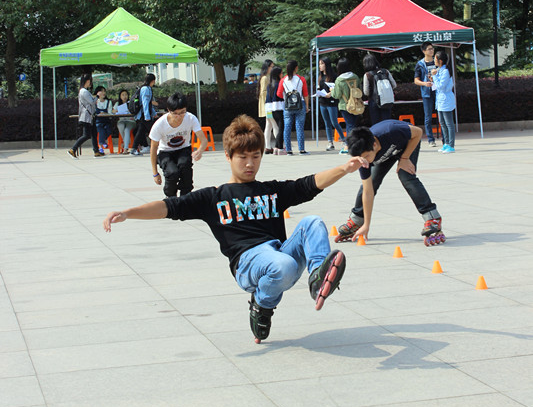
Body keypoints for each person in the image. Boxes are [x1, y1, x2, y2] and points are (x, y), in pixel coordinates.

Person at [104, 115, 368, 343]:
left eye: (256, 157)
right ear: (228, 156)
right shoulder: (214, 197)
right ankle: (261, 304)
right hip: (248, 264)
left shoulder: (271, 190)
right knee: (283, 264)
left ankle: (318, 278)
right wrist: (128, 213)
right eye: (242, 157)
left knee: (312, 223)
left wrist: (344, 168)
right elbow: (169, 206)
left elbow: (309, 184)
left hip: (278, 255)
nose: (250, 164)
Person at [334, 120, 442, 243]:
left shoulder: (391, 131)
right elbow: (368, 192)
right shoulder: (362, 160)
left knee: (406, 176)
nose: (365, 161)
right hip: (386, 153)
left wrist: (405, 158)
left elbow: (418, 132)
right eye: (361, 158)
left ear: (374, 145)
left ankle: (432, 218)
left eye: (367, 156)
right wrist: (366, 224)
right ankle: (356, 220)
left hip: (407, 143)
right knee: (372, 181)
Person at [150, 92, 207, 197]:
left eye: (182, 112)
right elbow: (153, 149)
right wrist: (155, 173)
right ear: (168, 110)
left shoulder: (191, 118)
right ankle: (170, 198)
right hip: (165, 152)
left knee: (185, 168)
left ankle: (185, 198)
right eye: (175, 113)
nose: (179, 116)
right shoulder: (159, 125)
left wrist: (200, 151)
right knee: (172, 173)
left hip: (183, 149)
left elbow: (203, 140)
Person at [277, 59, 309, 155]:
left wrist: (286, 97)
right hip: (300, 105)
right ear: (296, 68)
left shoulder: (283, 80)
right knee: (299, 127)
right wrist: (307, 106)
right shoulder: (301, 79)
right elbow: (305, 94)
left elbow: (279, 93)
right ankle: (301, 150)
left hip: (287, 106)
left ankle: (289, 150)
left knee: (287, 127)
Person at [331, 57, 362, 154]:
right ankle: (355, 144)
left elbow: (336, 95)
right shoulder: (355, 77)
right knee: (353, 124)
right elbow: (360, 90)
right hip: (356, 105)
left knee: (350, 125)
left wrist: (332, 91)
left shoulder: (339, 80)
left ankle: (350, 145)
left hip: (345, 106)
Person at [68, 74, 104, 158]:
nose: (90, 83)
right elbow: (92, 101)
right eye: (90, 81)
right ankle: (73, 149)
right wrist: (97, 96)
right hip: (86, 117)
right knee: (86, 135)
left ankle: (96, 151)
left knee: (94, 134)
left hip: (90, 116)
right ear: (87, 81)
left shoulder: (84, 91)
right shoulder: (84, 91)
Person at [317, 56, 345, 151]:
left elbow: (336, 89)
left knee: (334, 122)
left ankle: (344, 140)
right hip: (323, 102)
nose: (320, 66)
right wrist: (318, 93)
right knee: (327, 123)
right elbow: (319, 88)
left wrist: (330, 93)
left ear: (327, 65)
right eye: (319, 64)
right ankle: (330, 142)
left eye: (322, 64)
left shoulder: (334, 76)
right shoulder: (320, 77)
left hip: (332, 102)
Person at [431, 50, 456, 153]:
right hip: (440, 99)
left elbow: (441, 86)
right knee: (442, 122)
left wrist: (434, 76)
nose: (434, 60)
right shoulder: (439, 70)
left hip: (446, 98)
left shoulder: (445, 71)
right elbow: (436, 86)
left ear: (440, 61)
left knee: (449, 123)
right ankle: (446, 143)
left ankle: (451, 145)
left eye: (435, 59)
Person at [362, 54, 396, 125]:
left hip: (374, 101)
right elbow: (394, 85)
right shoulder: (385, 71)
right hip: (387, 100)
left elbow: (366, 92)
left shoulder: (367, 75)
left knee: (376, 124)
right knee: (387, 122)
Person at [414, 42, 437, 147]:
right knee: (428, 117)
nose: (432, 51)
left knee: (442, 115)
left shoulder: (437, 62)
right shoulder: (420, 64)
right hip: (427, 93)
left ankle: (445, 139)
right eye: (429, 49)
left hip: (438, 91)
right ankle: (431, 139)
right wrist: (424, 83)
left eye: (432, 48)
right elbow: (416, 80)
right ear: (424, 51)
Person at [131, 73, 158, 155]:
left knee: (141, 131)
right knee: (153, 131)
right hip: (144, 114)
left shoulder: (147, 88)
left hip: (145, 114)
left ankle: (134, 149)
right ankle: (159, 147)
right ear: (152, 81)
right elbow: (145, 103)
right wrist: (147, 116)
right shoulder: (146, 89)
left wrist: (153, 113)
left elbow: (149, 104)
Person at [258, 59, 277, 153]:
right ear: (267, 67)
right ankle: (279, 145)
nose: (272, 68)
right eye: (271, 67)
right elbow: (263, 92)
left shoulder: (265, 77)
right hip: (268, 106)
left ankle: (268, 147)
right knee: (275, 125)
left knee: (269, 126)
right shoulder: (265, 78)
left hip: (267, 106)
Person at [266, 66, 285, 154]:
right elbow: (281, 95)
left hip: (269, 109)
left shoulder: (269, 85)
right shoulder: (279, 83)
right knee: (280, 128)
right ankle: (279, 147)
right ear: (278, 74)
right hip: (279, 107)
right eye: (281, 73)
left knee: (270, 127)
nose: (282, 75)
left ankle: (272, 147)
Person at [113, 89, 136, 154]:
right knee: (121, 126)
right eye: (123, 95)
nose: (124, 96)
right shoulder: (117, 104)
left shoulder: (130, 103)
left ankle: (125, 148)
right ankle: (125, 141)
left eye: (126, 95)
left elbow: (135, 111)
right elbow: (113, 111)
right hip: (122, 120)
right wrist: (116, 111)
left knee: (126, 130)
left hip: (130, 121)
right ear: (120, 96)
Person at [94, 86, 113, 151]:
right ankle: (101, 146)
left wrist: (105, 113)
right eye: (101, 91)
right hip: (98, 122)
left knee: (109, 130)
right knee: (101, 130)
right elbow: (94, 112)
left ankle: (102, 142)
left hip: (107, 121)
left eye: (104, 91)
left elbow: (110, 113)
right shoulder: (95, 102)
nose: (103, 93)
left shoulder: (108, 102)